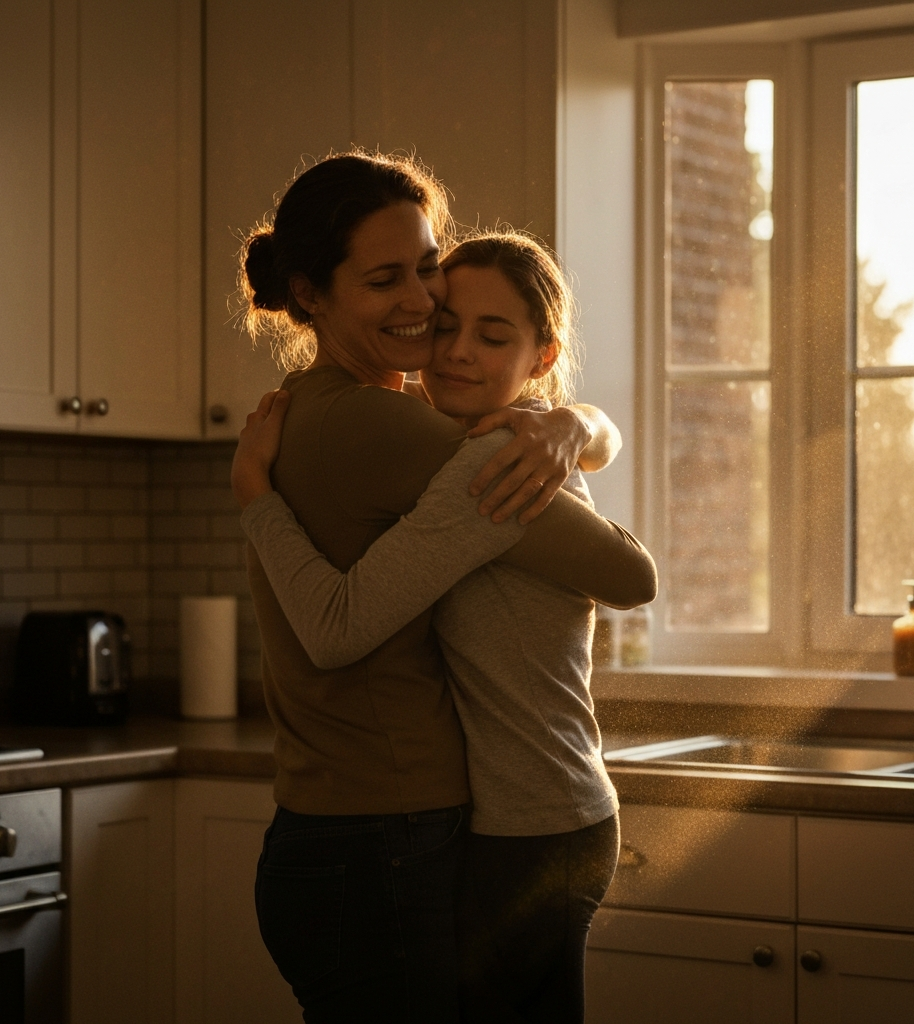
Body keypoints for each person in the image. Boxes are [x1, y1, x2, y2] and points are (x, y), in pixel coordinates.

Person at [231, 151, 653, 1023]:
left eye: (427, 268)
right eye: (388, 279)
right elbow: (627, 568)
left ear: (541, 355)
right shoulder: (408, 431)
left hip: (374, 831)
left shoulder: (320, 408)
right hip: (384, 842)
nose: (427, 309)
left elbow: (621, 568)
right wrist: (567, 425)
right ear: (312, 294)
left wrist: (576, 423)